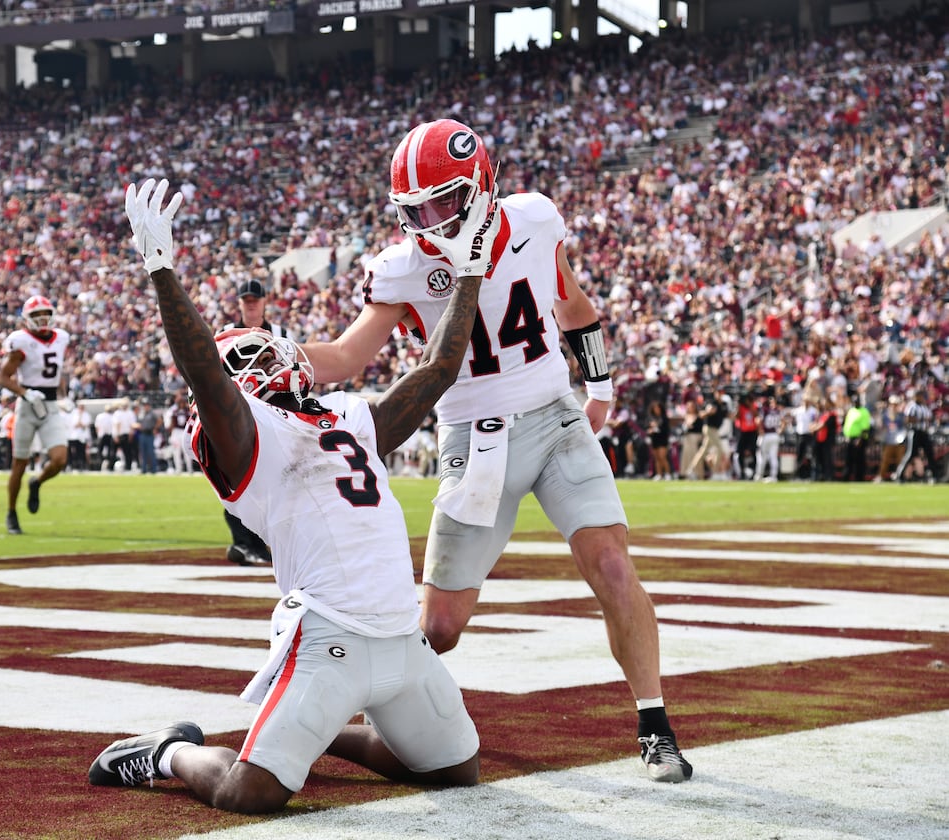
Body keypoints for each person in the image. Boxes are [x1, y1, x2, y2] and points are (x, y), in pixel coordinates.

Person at [298, 119, 692, 782]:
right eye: (416, 208)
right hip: (475, 440)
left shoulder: (535, 219)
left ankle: (656, 728)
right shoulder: (404, 266)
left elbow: (570, 303)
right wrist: (269, 358)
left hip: (556, 418)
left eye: (445, 200)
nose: (431, 218)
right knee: (443, 626)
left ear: (481, 181)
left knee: (613, 566)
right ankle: (356, 714)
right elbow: (346, 355)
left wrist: (598, 382)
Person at [88, 177, 483, 813]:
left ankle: (316, 733)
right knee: (253, 793)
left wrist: (468, 271)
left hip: (400, 636)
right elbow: (207, 379)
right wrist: (161, 269)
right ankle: (165, 753)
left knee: (454, 771)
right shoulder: (246, 433)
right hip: (328, 635)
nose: (258, 357)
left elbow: (436, 371)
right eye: (242, 357)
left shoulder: (343, 415)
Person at [216, 279, 293, 567]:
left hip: (273, 414)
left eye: (255, 299)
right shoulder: (226, 334)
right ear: (239, 303)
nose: (251, 304)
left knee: (272, 484)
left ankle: (258, 545)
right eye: (246, 300)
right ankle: (246, 544)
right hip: (239, 415)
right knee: (237, 481)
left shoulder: (282, 334)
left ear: (264, 302)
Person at [0, 294, 71, 535]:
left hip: (49, 406)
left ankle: (36, 482)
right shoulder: (21, 341)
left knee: (59, 459)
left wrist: (63, 393)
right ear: (27, 319)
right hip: (28, 406)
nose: (41, 319)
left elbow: (55, 370)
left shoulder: (61, 338)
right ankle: (11, 512)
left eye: (44, 314)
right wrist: (25, 392)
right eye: (36, 315)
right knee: (19, 463)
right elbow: (3, 377)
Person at [895, 388, 936, 483]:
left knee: (930, 453)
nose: (921, 398)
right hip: (915, 432)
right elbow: (908, 419)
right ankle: (899, 475)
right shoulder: (912, 406)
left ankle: (933, 476)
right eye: (919, 396)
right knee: (910, 454)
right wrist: (921, 420)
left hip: (924, 433)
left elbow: (929, 418)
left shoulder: (925, 407)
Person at [841, 392, 872, 482]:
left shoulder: (864, 412)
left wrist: (860, 438)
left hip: (859, 438)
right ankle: (847, 476)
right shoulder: (851, 410)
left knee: (859, 459)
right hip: (849, 438)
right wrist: (846, 435)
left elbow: (865, 427)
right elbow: (847, 424)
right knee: (848, 459)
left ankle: (860, 477)